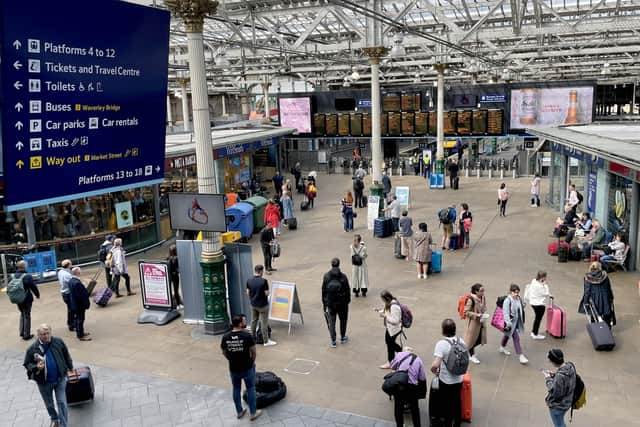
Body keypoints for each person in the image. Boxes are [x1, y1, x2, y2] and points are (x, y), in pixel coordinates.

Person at [24, 324, 73, 427]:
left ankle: (63, 424)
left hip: (60, 379)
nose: (46, 336)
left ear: (51, 332)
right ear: (38, 335)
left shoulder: (58, 341)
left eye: (47, 333)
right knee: (49, 404)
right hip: (44, 382)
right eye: (43, 334)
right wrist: (36, 367)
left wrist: (70, 367)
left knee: (62, 403)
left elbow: (66, 354)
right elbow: (27, 363)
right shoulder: (32, 348)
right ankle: (54, 418)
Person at [220, 314, 262, 421]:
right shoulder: (247, 336)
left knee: (236, 388)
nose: (245, 322)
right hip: (247, 367)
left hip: (234, 368)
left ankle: (239, 411)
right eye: (243, 321)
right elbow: (254, 352)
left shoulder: (225, 337)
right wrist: (252, 362)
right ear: (239, 324)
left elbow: (224, 352)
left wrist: (231, 359)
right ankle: (253, 413)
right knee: (251, 388)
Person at [431, 319, 465, 427]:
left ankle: (447, 423)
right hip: (459, 378)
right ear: (455, 330)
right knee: (457, 401)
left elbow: (435, 365)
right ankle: (457, 423)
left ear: (443, 330)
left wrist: (435, 371)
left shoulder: (442, 344)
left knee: (446, 404)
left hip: (446, 381)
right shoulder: (461, 341)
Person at [389, 347, 427, 427]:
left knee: (398, 408)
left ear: (403, 351)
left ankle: (399, 425)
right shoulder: (418, 359)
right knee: (415, 409)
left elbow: (392, 366)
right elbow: (422, 378)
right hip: (412, 387)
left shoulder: (399, 355)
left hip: (399, 384)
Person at [321, 258, 351, 347]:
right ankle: (342, 337)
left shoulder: (326, 276)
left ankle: (333, 341)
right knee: (343, 321)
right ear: (339, 264)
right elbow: (347, 290)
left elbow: (323, 291)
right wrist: (347, 301)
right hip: (342, 304)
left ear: (331, 264)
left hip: (331, 304)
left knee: (332, 322)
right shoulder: (343, 277)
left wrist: (324, 304)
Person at [543, 349, 577, 427]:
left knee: (559, 424)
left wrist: (548, 379)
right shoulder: (570, 365)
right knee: (560, 422)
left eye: (550, 360)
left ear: (553, 362)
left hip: (558, 406)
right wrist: (554, 375)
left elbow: (555, 393)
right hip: (568, 401)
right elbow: (567, 381)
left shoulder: (560, 377)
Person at [246, 265, 277, 347]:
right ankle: (266, 341)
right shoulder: (264, 281)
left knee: (253, 321)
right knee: (264, 323)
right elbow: (266, 293)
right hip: (263, 305)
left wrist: (253, 298)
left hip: (253, 304)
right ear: (260, 271)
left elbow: (248, 293)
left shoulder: (249, 280)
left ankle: (252, 338)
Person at [578, 262, 615, 327]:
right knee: (606, 314)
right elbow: (608, 287)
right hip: (605, 297)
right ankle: (607, 330)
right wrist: (611, 297)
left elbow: (587, 291)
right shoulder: (605, 275)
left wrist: (586, 302)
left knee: (594, 315)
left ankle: (597, 332)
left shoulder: (588, 277)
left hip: (594, 299)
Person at [500, 284, 529, 364]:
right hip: (511, 323)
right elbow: (505, 313)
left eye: (517, 292)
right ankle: (521, 356)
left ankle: (502, 347)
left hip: (517, 322)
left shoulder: (518, 298)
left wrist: (524, 304)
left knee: (507, 335)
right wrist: (508, 324)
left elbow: (520, 307)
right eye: (515, 292)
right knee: (516, 338)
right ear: (510, 292)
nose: (516, 294)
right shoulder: (507, 301)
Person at [13, 260, 39, 340]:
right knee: (27, 315)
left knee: (22, 314)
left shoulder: (13, 276)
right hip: (26, 299)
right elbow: (33, 286)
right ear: (24, 266)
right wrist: (37, 295)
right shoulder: (27, 276)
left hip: (17, 298)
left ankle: (21, 332)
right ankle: (26, 335)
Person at [377, 290, 403, 369]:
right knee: (389, 343)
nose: (383, 301)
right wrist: (380, 311)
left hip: (394, 330)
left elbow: (395, 321)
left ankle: (390, 361)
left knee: (390, 345)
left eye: (383, 300)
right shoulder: (389, 303)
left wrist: (385, 316)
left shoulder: (394, 306)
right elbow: (387, 311)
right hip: (390, 329)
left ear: (387, 298)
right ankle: (401, 352)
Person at [463, 284, 488, 364]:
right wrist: (477, 315)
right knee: (472, 340)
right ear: (476, 291)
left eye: (483, 290)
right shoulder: (471, 300)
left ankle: (469, 351)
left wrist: (483, 310)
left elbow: (484, 306)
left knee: (479, 338)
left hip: (481, 322)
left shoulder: (483, 297)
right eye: (481, 291)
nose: (483, 292)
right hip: (473, 324)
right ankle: (471, 355)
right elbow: (466, 312)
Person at [524, 271, 551, 340]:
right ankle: (535, 334)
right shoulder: (540, 286)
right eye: (545, 277)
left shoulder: (533, 281)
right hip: (539, 305)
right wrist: (545, 285)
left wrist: (543, 284)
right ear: (542, 277)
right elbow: (546, 293)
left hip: (532, 303)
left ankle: (534, 332)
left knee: (537, 319)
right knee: (538, 319)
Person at [68, 267, 91, 341]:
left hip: (75, 304)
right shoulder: (77, 283)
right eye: (80, 271)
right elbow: (81, 296)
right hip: (79, 305)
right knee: (80, 319)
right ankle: (80, 335)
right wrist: (86, 304)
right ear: (77, 273)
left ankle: (80, 333)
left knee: (78, 319)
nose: (81, 272)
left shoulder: (71, 281)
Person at [57, 259, 75, 332]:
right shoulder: (66, 275)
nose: (72, 265)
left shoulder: (61, 272)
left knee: (70, 309)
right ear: (68, 265)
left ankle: (71, 323)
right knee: (72, 309)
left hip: (64, 293)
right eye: (71, 264)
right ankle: (71, 324)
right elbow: (73, 283)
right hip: (68, 293)